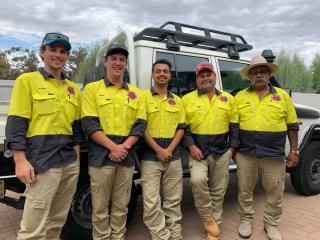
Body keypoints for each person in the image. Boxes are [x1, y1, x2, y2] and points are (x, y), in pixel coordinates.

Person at [6, 32, 83, 239]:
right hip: (42, 162)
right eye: (53, 49)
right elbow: (16, 122)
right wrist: (20, 159)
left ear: (67, 56)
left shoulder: (73, 89)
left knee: (57, 221)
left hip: (68, 163)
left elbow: (76, 127)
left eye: (63, 51)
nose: (58, 55)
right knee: (33, 228)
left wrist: (76, 156)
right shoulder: (27, 80)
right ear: (42, 52)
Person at [81, 44, 146, 240]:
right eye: (114, 58)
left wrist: (123, 148)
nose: (118, 63)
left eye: (122, 60)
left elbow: (140, 125)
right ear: (105, 62)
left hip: (125, 156)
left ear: (126, 64)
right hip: (101, 156)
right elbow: (89, 123)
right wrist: (113, 148)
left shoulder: (137, 93)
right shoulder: (92, 89)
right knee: (99, 207)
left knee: (121, 205)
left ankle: (118, 236)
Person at [235, 55, 299, 240]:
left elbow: (292, 126)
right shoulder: (240, 97)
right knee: (244, 190)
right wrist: (234, 151)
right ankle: (246, 220)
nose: (258, 75)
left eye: (262, 71)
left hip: (274, 155)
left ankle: (271, 224)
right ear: (249, 76)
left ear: (269, 74)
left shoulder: (282, 96)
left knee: (275, 192)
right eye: (254, 72)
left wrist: (294, 151)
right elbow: (233, 126)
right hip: (246, 154)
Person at [182, 61, 239, 240]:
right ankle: (208, 218)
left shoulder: (228, 99)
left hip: (222, 151)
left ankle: (216, 224)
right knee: (197, 182)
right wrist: (191, 146)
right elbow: (184, 128)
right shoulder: (187, 99)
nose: (205, 78)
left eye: (208, 75)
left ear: (214, 77)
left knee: (218, 189)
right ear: (197, 79)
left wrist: (231, 150)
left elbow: (235, 128)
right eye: (202, 75)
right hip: (198, 151)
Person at [140, 59, 186, 240]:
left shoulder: (178, 101)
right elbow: (140, 127)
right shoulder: (142, 97)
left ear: (170, 75)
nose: (161, 74)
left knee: (173, 200)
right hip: (150, 157)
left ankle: (174, 232)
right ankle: (160, 234)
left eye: (165, 71)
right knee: (151, 201)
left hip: (173, 157)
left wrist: (169, 150)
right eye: (158, 71)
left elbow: (181, 127)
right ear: (152, 74)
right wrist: (159, 150)